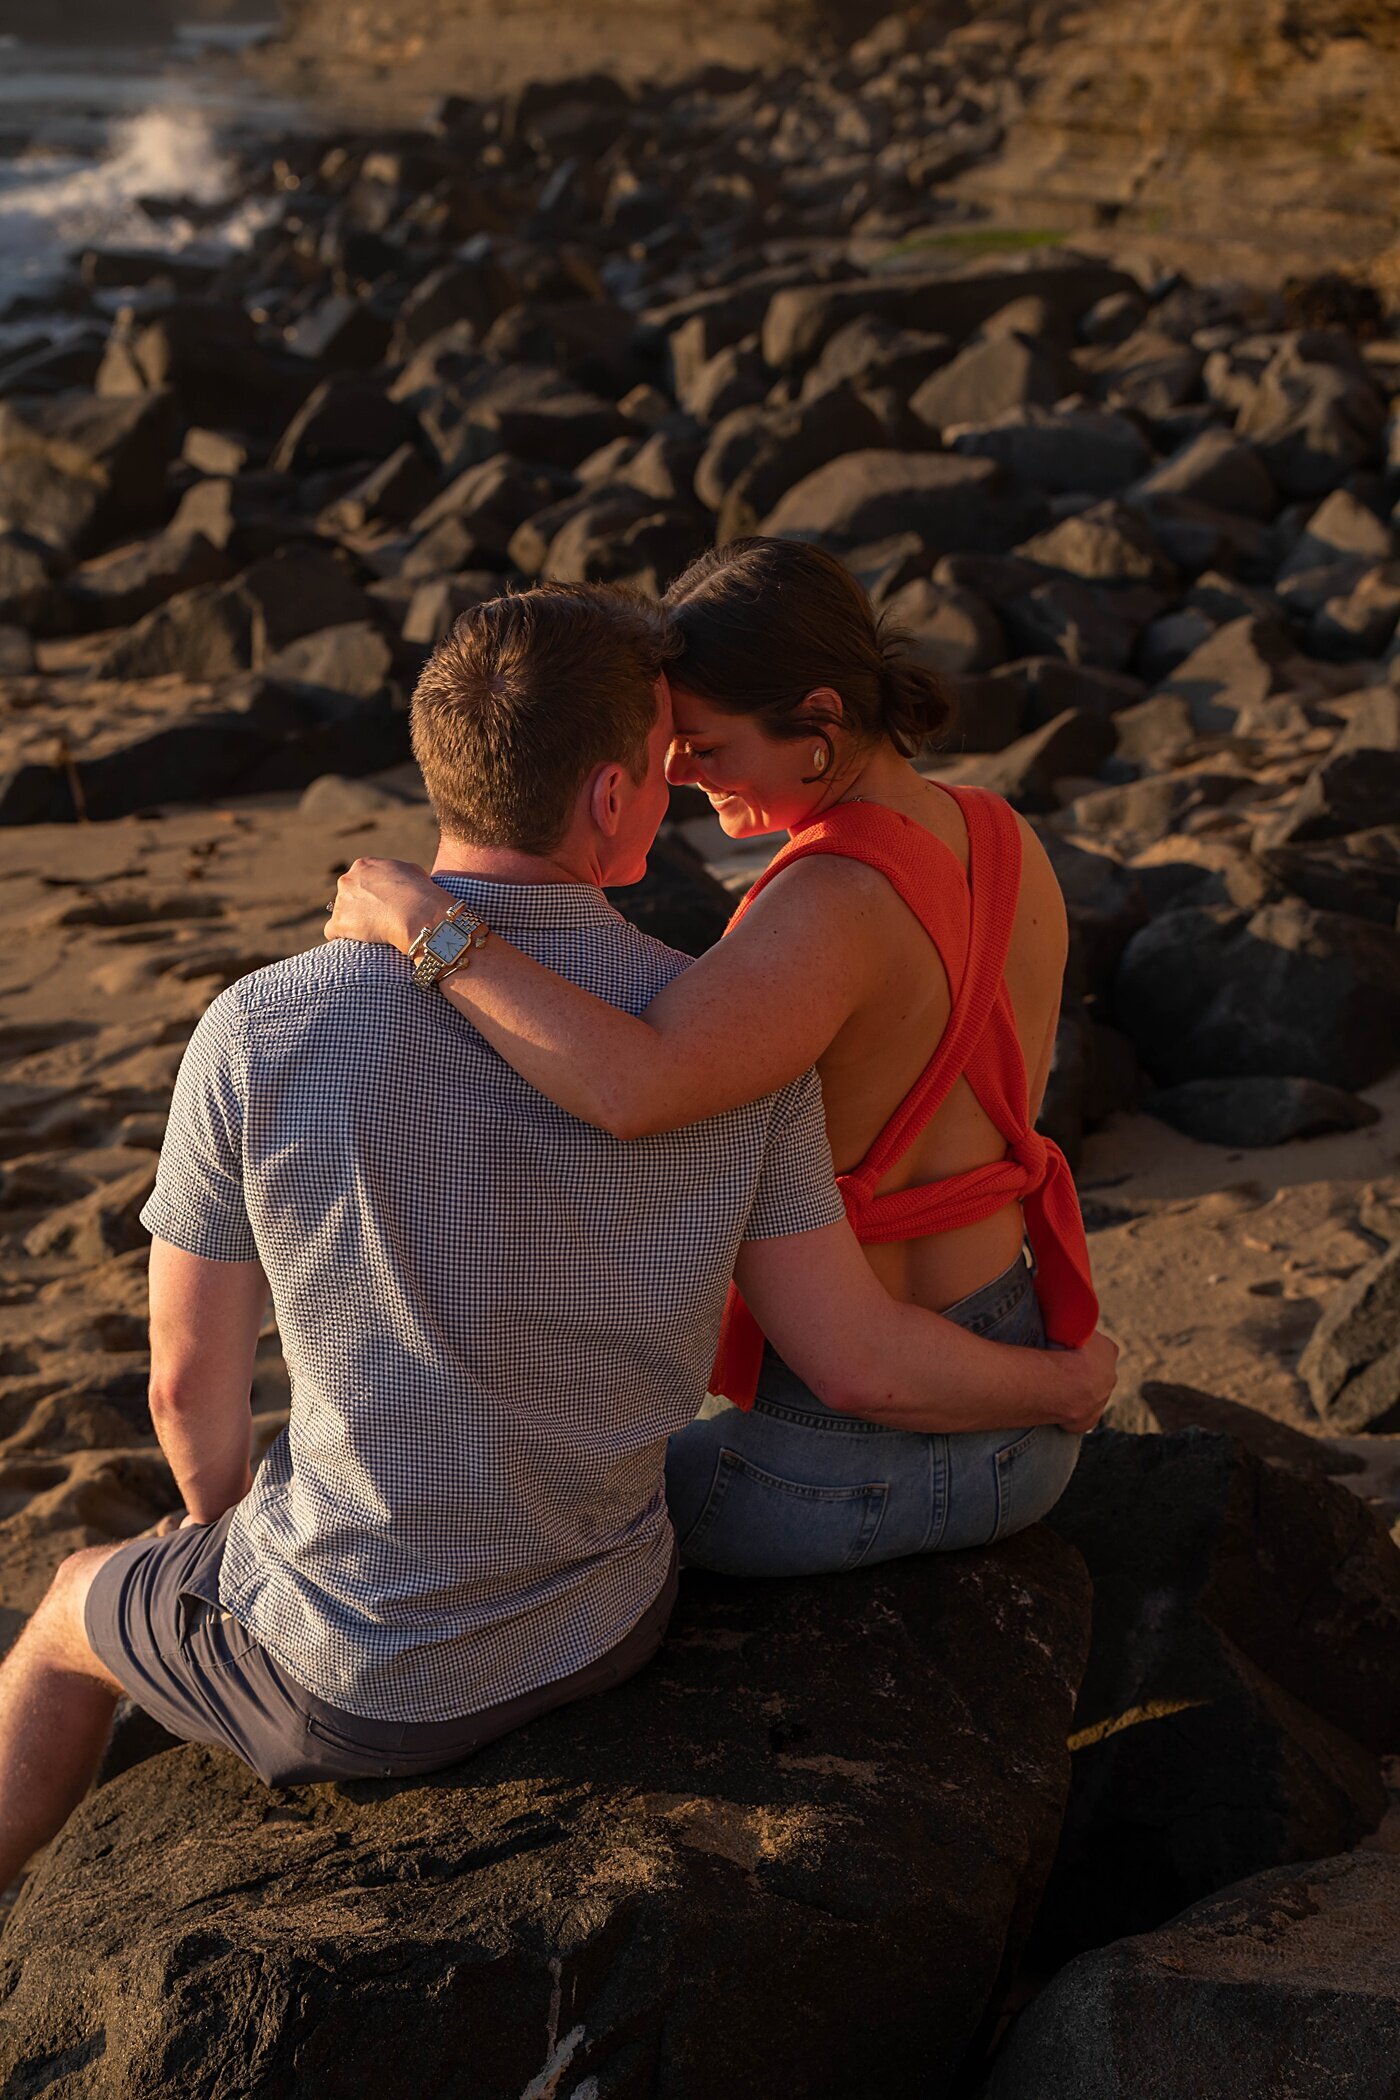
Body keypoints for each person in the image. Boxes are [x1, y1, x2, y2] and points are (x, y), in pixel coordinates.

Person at [0, 582, 1115, 1891]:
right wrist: (1065, 1384)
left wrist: (240, 1553)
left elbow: (187, 1392)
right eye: (665, 764)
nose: (684, 786)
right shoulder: (721, 1034)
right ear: (606, 800)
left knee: (72, 1605)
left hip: (350, 1677)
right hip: (604, 1628)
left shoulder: (259, 1026)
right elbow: (850, 1349)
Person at [326, 540, 1106, 1580]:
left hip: (867, 1449)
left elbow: (633, 1085)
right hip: (1011, 1363)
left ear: (818, 725)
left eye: (703, 745)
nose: (674, 773)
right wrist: (1051, 1385)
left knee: (508, 1556)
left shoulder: (826, 904)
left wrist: (426, 922)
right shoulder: (998, 832)